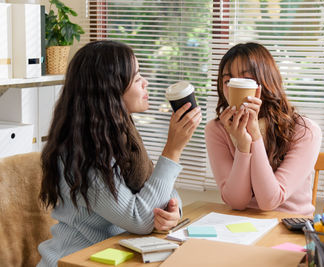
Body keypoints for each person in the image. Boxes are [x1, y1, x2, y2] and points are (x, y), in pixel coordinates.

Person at [37, 40, 201, 266]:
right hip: (74, 260)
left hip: (115, 256)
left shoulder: (121, 136)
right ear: (109, 90)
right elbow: (139, 218)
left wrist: (172, 210)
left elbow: (156, 188)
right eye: (136, 78)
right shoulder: (82, 151)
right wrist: (173, 149)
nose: (145, 82)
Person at [205, 42, 322, 216]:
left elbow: (270, 201)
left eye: (246, 80)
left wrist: (255, 137)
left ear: (265, 83)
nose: (234, 87)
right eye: (228, 81)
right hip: (241, 225)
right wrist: (243, 146)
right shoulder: (217, 130)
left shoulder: (305, 130)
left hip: (290, 225)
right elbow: (237, 202)